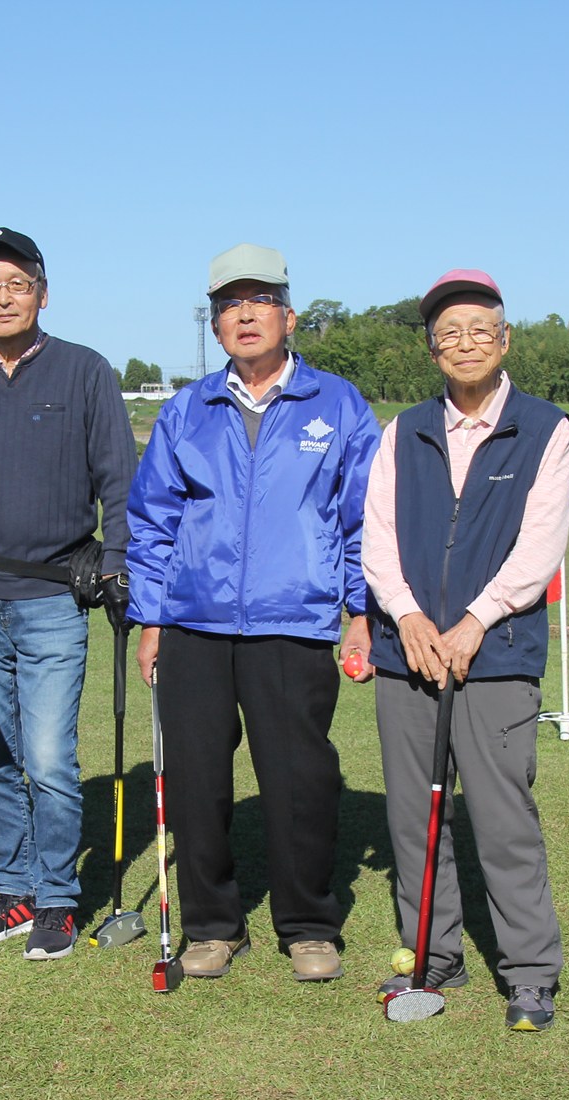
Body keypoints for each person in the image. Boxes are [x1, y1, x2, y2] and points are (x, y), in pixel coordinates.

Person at [125, 243, 378, 982]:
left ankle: (308, 926)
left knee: (301, 781)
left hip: (294, 623)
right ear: (214, 324)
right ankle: (212, 925)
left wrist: (360, 612)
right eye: (229, 304)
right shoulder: (187, 410)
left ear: (288, 317)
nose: (245, 314)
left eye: (260, 300)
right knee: (198, 781)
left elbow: (364, 518)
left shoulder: (339, 405)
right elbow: (153, 521)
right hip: (193, 624)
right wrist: (151, 619)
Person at [362, 270, 569, 1032]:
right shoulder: (403, 430)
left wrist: (475, 620)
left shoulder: (545, 428)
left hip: (498, 655)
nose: (465, 343)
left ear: (505, 340)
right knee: (414, 818)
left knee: (502, 817)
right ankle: (433, 956)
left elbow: (540, 548)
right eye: (449, 333)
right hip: (408, 653)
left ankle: (530, 974)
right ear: (432, 350)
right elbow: (377, 539)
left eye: (480, 329)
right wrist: (410, 617)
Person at [0, 228, 137, 961]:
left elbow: (118, 479)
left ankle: (57, 900)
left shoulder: (85, 370)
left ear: (43, 294)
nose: (3, 297)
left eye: (17, 284)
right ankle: (14, 891)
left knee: (47, 759)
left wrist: (117, 564)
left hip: (52, 599)